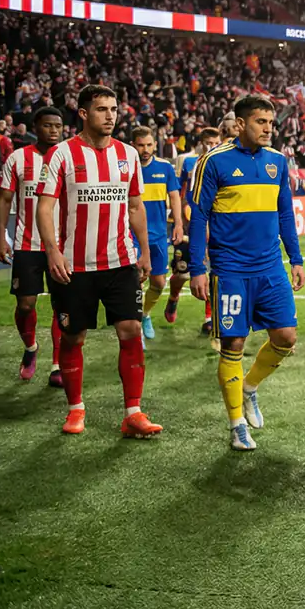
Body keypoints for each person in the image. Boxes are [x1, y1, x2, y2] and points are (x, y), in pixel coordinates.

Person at [34, 85, 160, 438]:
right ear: (85, 114)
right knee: (74, 337)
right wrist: (52, 250)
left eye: (114, 109)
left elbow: (135, 206)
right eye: (102, 109)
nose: (110, 116)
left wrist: (145, 251)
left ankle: (133, 412)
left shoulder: (128, 155)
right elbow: (44, 207)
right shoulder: (61, 154)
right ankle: (76, 409)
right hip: (74, 265)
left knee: (130, 330)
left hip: (120, 262)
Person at [188, 96, 305, 452]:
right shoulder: (214, 161)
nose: (268, 128)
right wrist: (197, 268)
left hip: (270, 267)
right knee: (234, 343)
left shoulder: (277, 162)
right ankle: (236, 423)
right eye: (260, 122)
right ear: (239, 125)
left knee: (286, 337)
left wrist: (296, 259)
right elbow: (198, 217)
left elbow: (285, 214)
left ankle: (250, 387)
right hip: (231, 269)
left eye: (271, 122)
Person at [0, 106, 65, 385]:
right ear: (36, 127)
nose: (54, 130)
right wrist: (1, 238)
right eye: (48, 125)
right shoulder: (18, 158)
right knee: (25, 305)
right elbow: (4, 200)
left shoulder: (69, 157)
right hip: (27, 244)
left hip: (61, 247)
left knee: (64, 307)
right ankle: (31, 348)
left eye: (58, 126)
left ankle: (58, 365)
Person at [131, 127, 183, 342]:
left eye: (149, 145)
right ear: (133, 145)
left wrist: (178, 224)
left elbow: (175, 196)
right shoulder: (127, 168)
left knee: (159, 283)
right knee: (136, 281)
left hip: (159, 234)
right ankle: (135, 330)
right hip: (131, 234)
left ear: (154, 145)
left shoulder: (165, 167)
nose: (145, 149)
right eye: (141, 145)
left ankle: (145, 315)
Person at [166, 127, 221, 329]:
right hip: (190, 223)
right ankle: (173, 297)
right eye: (208, 142)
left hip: (214, 223)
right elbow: (179, 193)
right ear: (201, 143)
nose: (211, 146)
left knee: (213, 269)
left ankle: (209, 317)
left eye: (215, 143)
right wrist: (179, 222)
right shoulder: (189, 162)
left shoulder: (222, 163)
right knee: (181, 273)